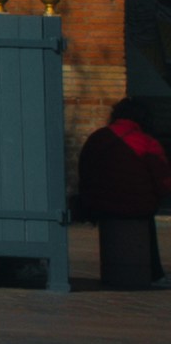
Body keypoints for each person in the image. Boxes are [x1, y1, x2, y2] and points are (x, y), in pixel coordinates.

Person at [72, 92, 168, 291]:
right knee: (144, 215)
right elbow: (163, 182)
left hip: (96, 202)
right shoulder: (147, 142)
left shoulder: (98, 137)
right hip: (138, 207)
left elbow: (84, 169)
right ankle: (154, 273)